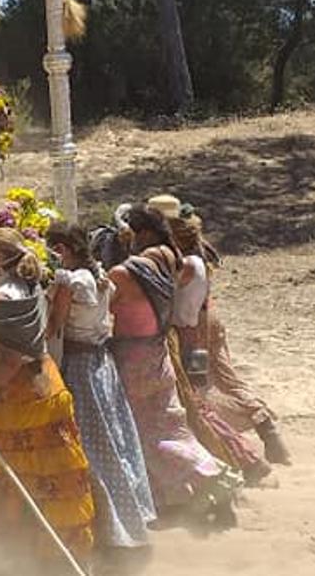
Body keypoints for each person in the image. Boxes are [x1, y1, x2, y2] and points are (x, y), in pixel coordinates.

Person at [0, 228, 96, 568]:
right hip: (45, 385)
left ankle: (18, 557)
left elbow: (10, 362)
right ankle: (43, 559)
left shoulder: (4, 297)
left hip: (16, 398)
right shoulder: (29, 283)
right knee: (44, 477)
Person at [108, 204, 238, 523]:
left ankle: (210, 477)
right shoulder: (169, 255)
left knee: (149, 435)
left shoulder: (123, 273)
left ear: (142, 233)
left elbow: (104, 308)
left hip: (133, 359)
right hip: (161, 353)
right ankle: (185, 493)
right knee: (172, 425)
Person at [45, 222, 156, 556]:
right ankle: (129, 519)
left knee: (92, 449)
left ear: (62, 249)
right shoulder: (101, 277)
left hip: (80, 367)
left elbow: (54, 327)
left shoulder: (70, 281)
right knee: (116, 442)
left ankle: (111, 530)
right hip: (102, 365)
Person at [168, 203, 292, 466]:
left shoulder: (185, 264)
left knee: (200, 387)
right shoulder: (201, 257)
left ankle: (230, 446)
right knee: (226, 377)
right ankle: (264, 423)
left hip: (193, 332)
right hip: (209, 321)